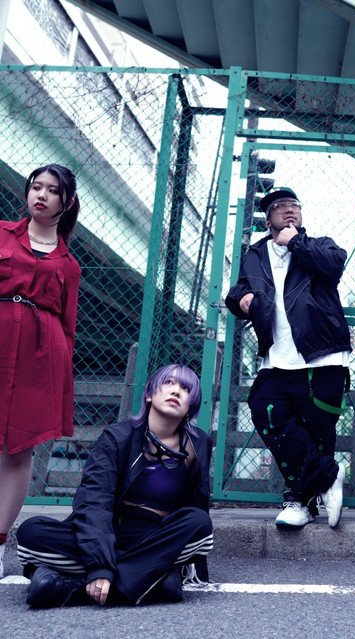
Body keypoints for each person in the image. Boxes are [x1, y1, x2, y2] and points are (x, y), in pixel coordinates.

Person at [16, 364, 214, 608]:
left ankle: (71, 587)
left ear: (190, 406)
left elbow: (197, 502)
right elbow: (94, 499)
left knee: (199, 524)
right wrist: (100, 565)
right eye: (168, 383)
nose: (176, 391)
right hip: (108, 530)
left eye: (186, 389)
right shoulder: (117, 437)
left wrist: (193, 564)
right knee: (31, 532)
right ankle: (152, 579)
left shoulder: (198, 443)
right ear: (149, 395)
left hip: (154, 538)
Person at [225, 187, 351, 529]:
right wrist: (240, 299)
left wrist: (295, 242)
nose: (288, 210)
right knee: (264, 409)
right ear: (268, 220)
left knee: (317, 432)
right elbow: (240, 287)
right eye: (280, 207)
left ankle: (298, 503)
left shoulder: (319, 245)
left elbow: (332, 267)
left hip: (321, 356)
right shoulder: (255, 254)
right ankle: (328, 475)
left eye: (294, 205)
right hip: (276, 358)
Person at [0, 164, 81, 579]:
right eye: (36, 187)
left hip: (40, 356)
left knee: (18, 449)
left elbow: (67, 326)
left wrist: (58, 378)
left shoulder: (69, 264)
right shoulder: (1, 233)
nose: (41, 195)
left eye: (52, 190)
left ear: (66, 202)